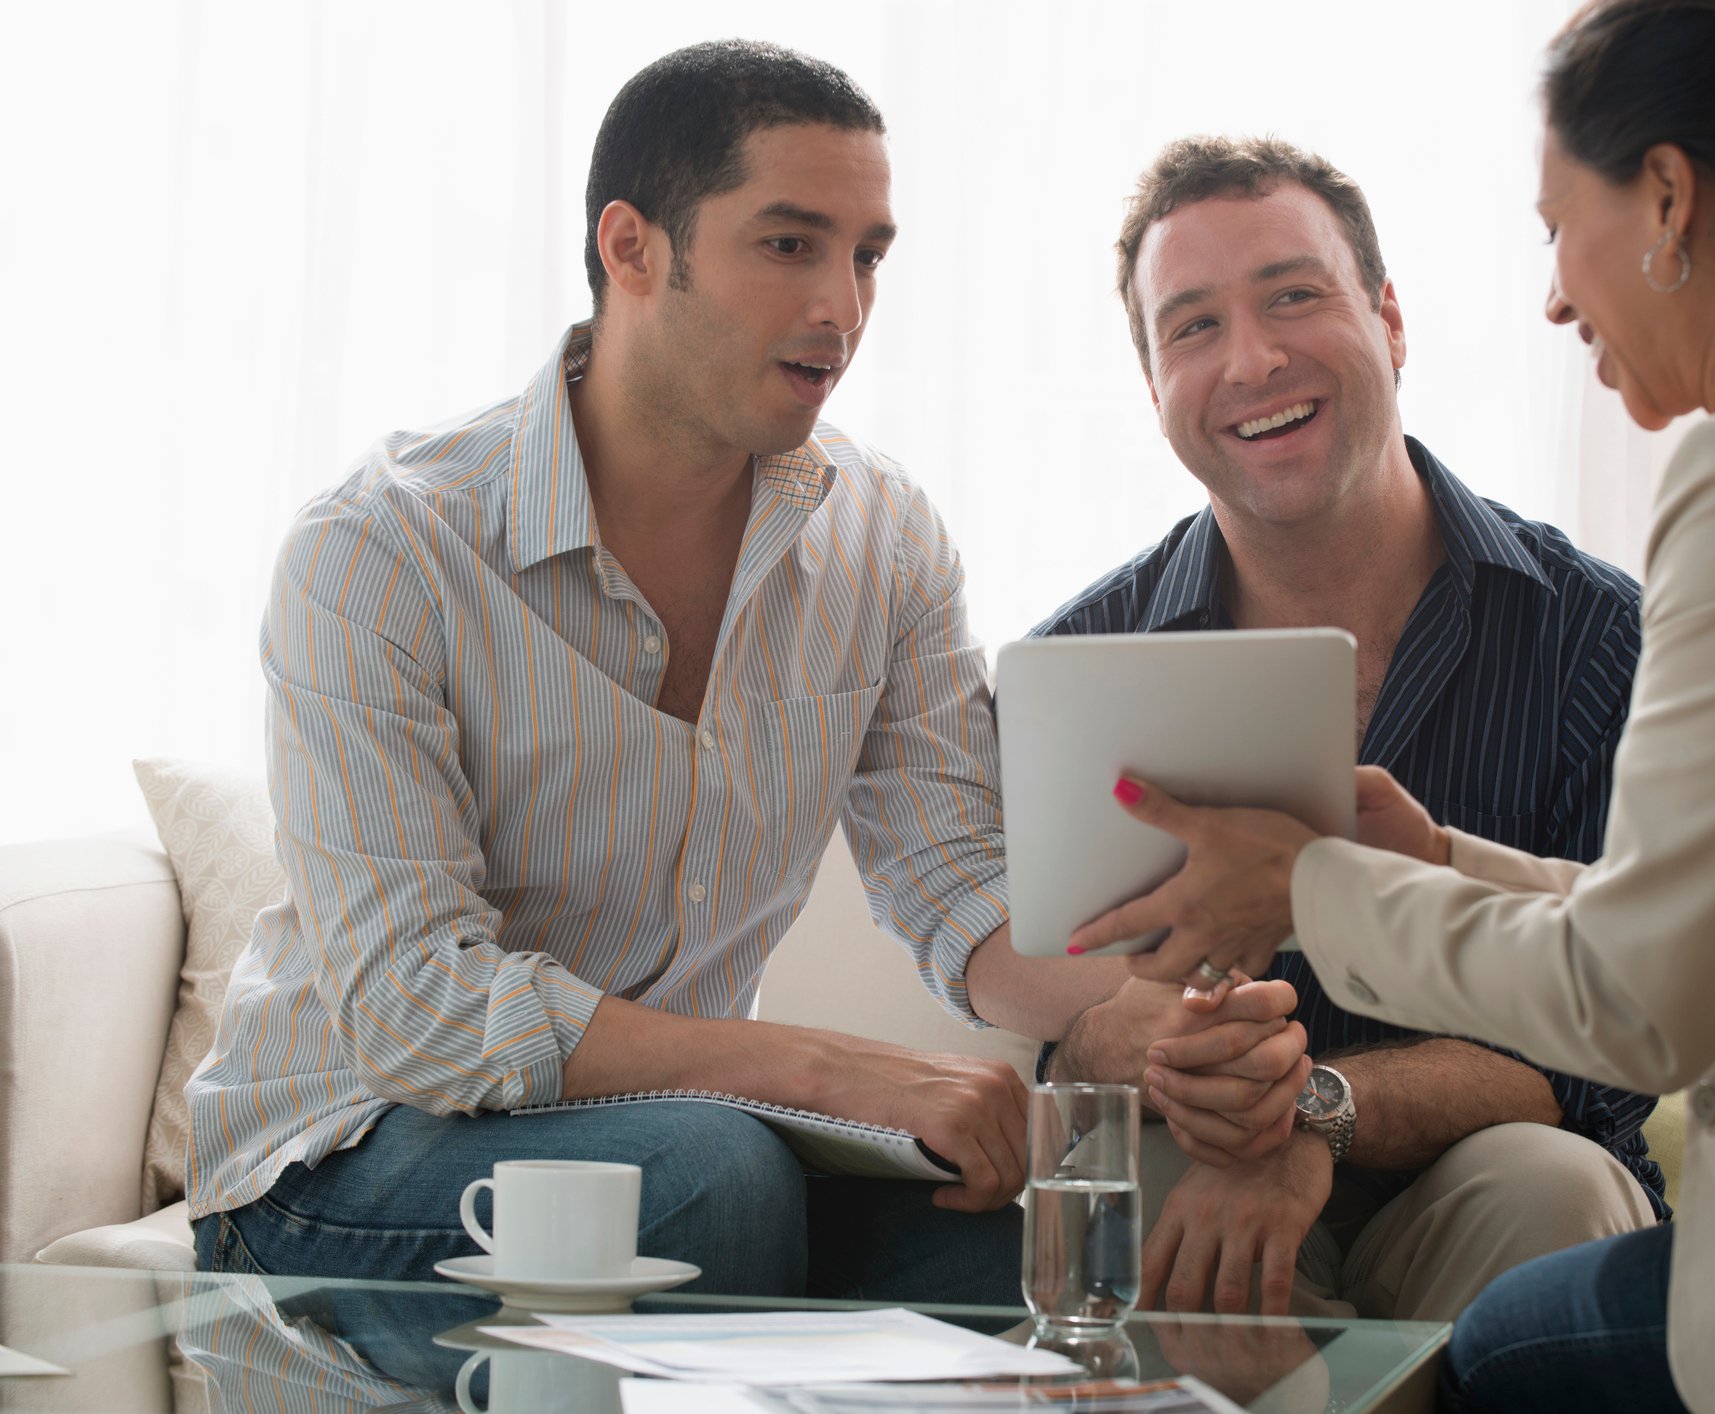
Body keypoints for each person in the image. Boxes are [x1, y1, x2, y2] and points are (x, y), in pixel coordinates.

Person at [1068, 1, 1715, 1408]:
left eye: (1557, 225)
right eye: (1191, 324)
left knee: (1514, 1339)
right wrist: (1431, 860)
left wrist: (1312, 886)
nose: (1555, 296)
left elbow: (1645, 1006)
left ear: (1666, 199)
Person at [186, 39, 1066, 1306]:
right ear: (633, 246)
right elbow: (416, 1002)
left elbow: (950, 873)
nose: (843, 307)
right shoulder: (383, 546)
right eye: (788, 244)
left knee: (1014, 1229)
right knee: (706, 1176)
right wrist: (811, 1069)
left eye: (867, 254)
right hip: (340, 1155)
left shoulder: (885, 536)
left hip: (677, 1128)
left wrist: (1133, 1015)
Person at [968, 135, 1664, 1325]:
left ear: (1389, 320)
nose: (1252, 358)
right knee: (1115, 1184)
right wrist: (1124, 1048)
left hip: (1487, 1176)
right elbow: (1068, 1043)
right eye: (1191, 327)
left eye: (1293, 296)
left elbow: (1592, 1051)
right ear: (1151, 387)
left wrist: (1312, 1111)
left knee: (1557, 1185)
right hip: (1195, 1167)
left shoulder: (1598, 636)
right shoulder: (1075, 666)